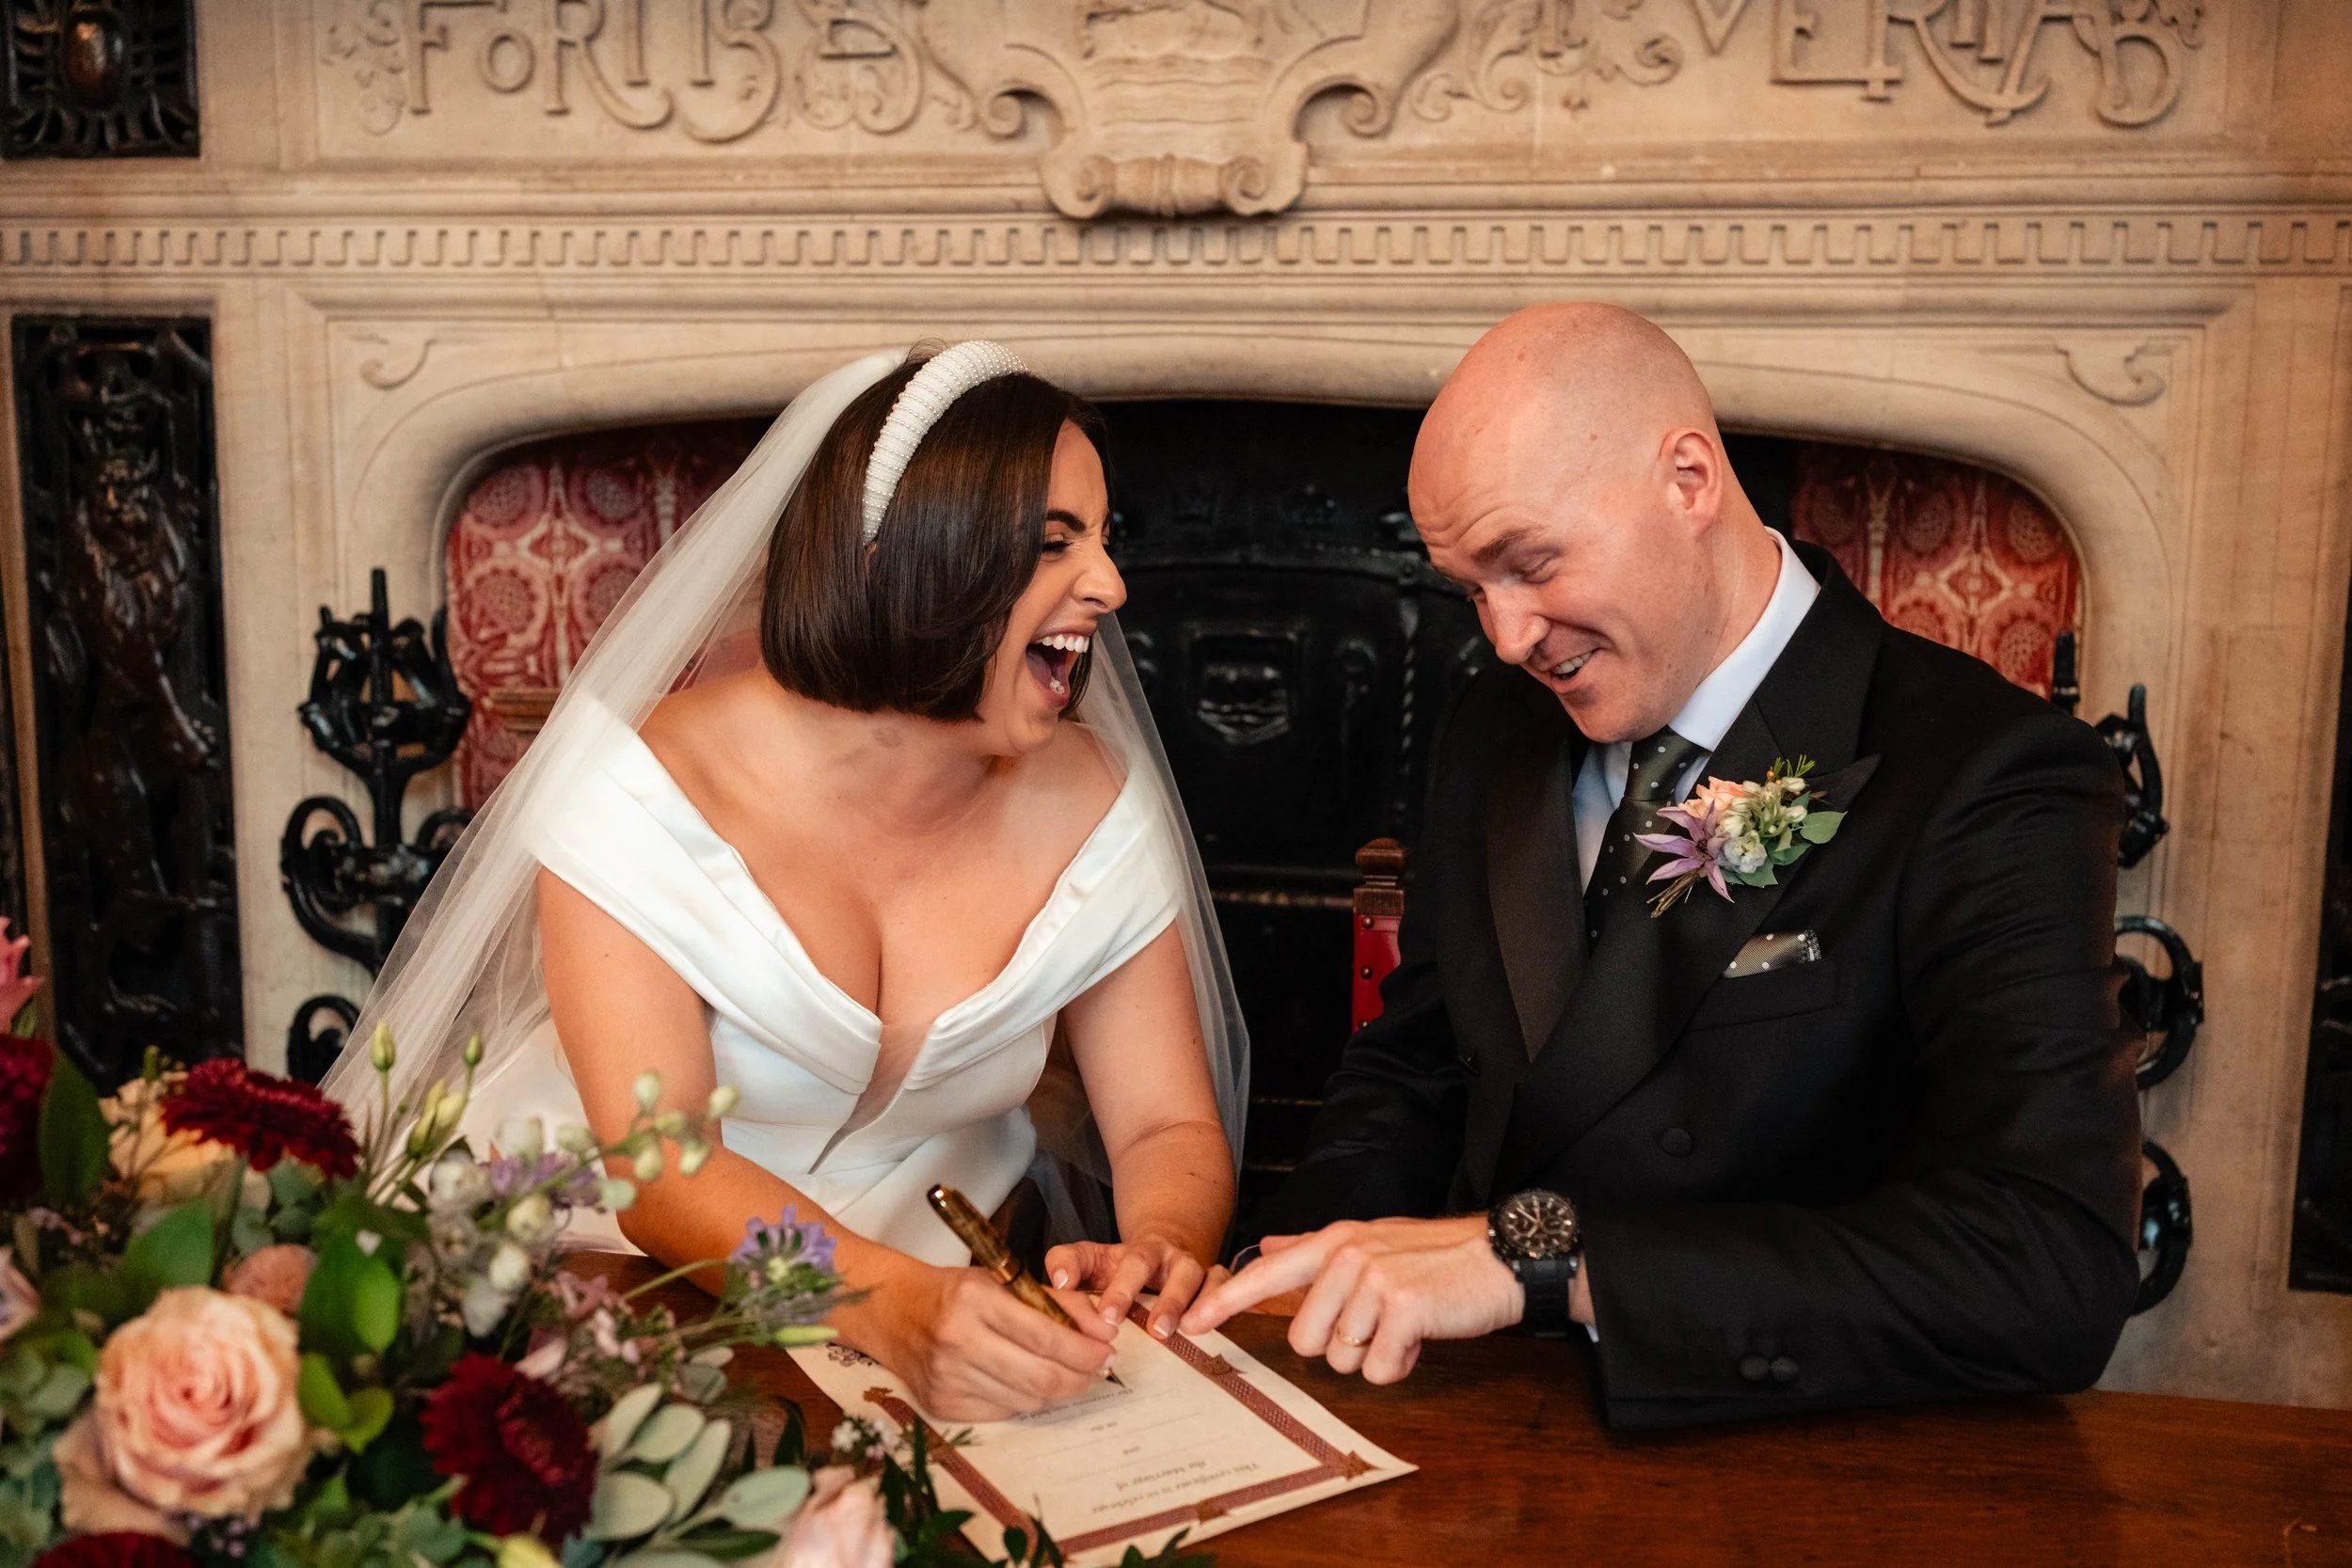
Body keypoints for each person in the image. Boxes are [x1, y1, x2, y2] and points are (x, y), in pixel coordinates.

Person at [1182, 304, 2144, 1429]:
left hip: (1786, 1453)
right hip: (1476, 1420)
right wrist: (1283, 1273)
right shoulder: (1494, 725)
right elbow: (1420, 1067)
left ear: (1688, 479)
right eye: (1467, 588)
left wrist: (1537, 1258)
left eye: (1528, 562)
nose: (1504, 636)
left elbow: (2047, 1264)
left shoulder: (1985, 771)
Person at [326, 344, 1248, 1423]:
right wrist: (890, 1302)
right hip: (577, 1290)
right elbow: (662, 1169)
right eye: (1054, 543)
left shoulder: (1096, 801)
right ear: (893, 561)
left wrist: (1161, 1245)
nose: (1110, 584)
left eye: (1101, 536)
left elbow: (1163, 1130)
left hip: (930, 1336)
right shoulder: (637, 790)